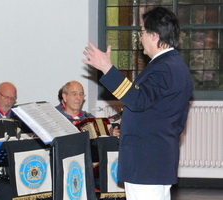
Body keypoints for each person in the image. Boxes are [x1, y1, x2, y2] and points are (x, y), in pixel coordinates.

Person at [82, 7, 193, 200]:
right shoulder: (173, 65)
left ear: (154, 35)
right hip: (155, 158)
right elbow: (152, 108)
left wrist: (108, 69)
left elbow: (137, 100)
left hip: (147, 160)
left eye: (141, 33)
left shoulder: (164, 68)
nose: (139, 38)